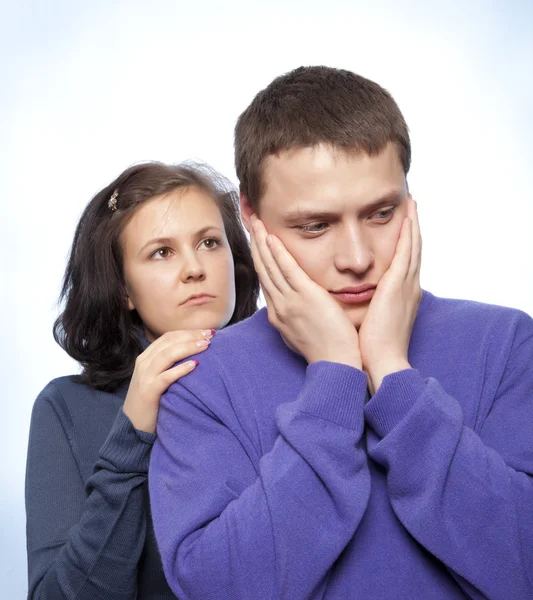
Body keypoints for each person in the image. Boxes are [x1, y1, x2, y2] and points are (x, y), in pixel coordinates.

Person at [148, 66, 533, 600]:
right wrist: (334, 377)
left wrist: (394, 377)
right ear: (250, 217)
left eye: (381, 213)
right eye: (316, 225)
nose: (357, 259)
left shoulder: (507, 342)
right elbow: (217, 589)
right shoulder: (200, 378)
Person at [25, 161, 259, 600]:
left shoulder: (301, 374)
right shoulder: (66, 409)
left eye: (209, 242)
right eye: (162, 252)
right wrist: (131, 435)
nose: (194, 268)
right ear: (124, 290)